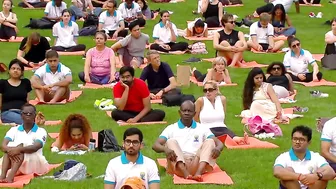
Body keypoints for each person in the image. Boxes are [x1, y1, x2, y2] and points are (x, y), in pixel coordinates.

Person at [152, 100, 224, 182]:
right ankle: (186, 174)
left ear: (194, 113)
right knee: (170, 141)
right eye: (184, 111)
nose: (186, 113)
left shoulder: (202, 128)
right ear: (179, 112)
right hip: (178, 165)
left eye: (189, 111)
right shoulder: (171, 128)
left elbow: (219, 143)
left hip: (196, 163)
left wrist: (218, 148)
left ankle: (198, 173)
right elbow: (155, 145)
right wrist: (166, 149)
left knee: (210, 141)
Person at [0, 104, 49, 183]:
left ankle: (10, 177)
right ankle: (3, 175)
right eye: (25, 113)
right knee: (9, 149)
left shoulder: (41, 131)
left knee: (20, 148)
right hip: (14, 161)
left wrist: (18, 149)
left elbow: (35, 147)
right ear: (21, 115)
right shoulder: (13, 130)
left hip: (34, 161)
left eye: (31, 113)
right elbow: (3, 146)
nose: (28, 115)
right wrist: (12, 150)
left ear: (35, 115)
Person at [0, 59, 32, 125]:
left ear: (22, 72)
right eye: (13, 68)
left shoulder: (26, 82)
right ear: (9, 70)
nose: (15, 70)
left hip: (23, 111)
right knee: (24, 121)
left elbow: (27, 101)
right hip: (8, 112)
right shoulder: (3, 83)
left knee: (31, 118)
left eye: (18, 69)